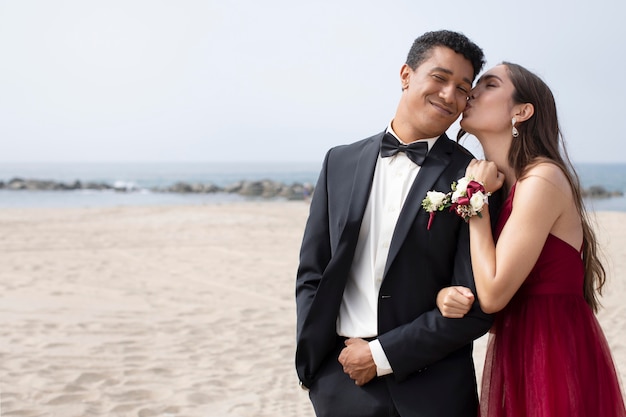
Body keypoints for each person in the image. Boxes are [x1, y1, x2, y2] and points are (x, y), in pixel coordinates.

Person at [295, 30, 497, 417]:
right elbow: (313, 272)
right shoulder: (339, 161)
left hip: (433, 389)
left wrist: (381, 355)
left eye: (462, 88)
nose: (449, 95)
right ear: (406, 75)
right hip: (339, 381)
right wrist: (312, 364)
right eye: (439, 78)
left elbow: (476, 304)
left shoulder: (474, 178)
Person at [436, 62, 626, 416]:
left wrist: (474, 197)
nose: (472, 92)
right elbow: (480, 276)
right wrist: (446, 293)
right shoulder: (506, 188)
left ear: (521, 112)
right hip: (520, 346)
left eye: (490, 84)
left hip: (552, 351)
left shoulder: (541, 180)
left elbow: (492, 294)